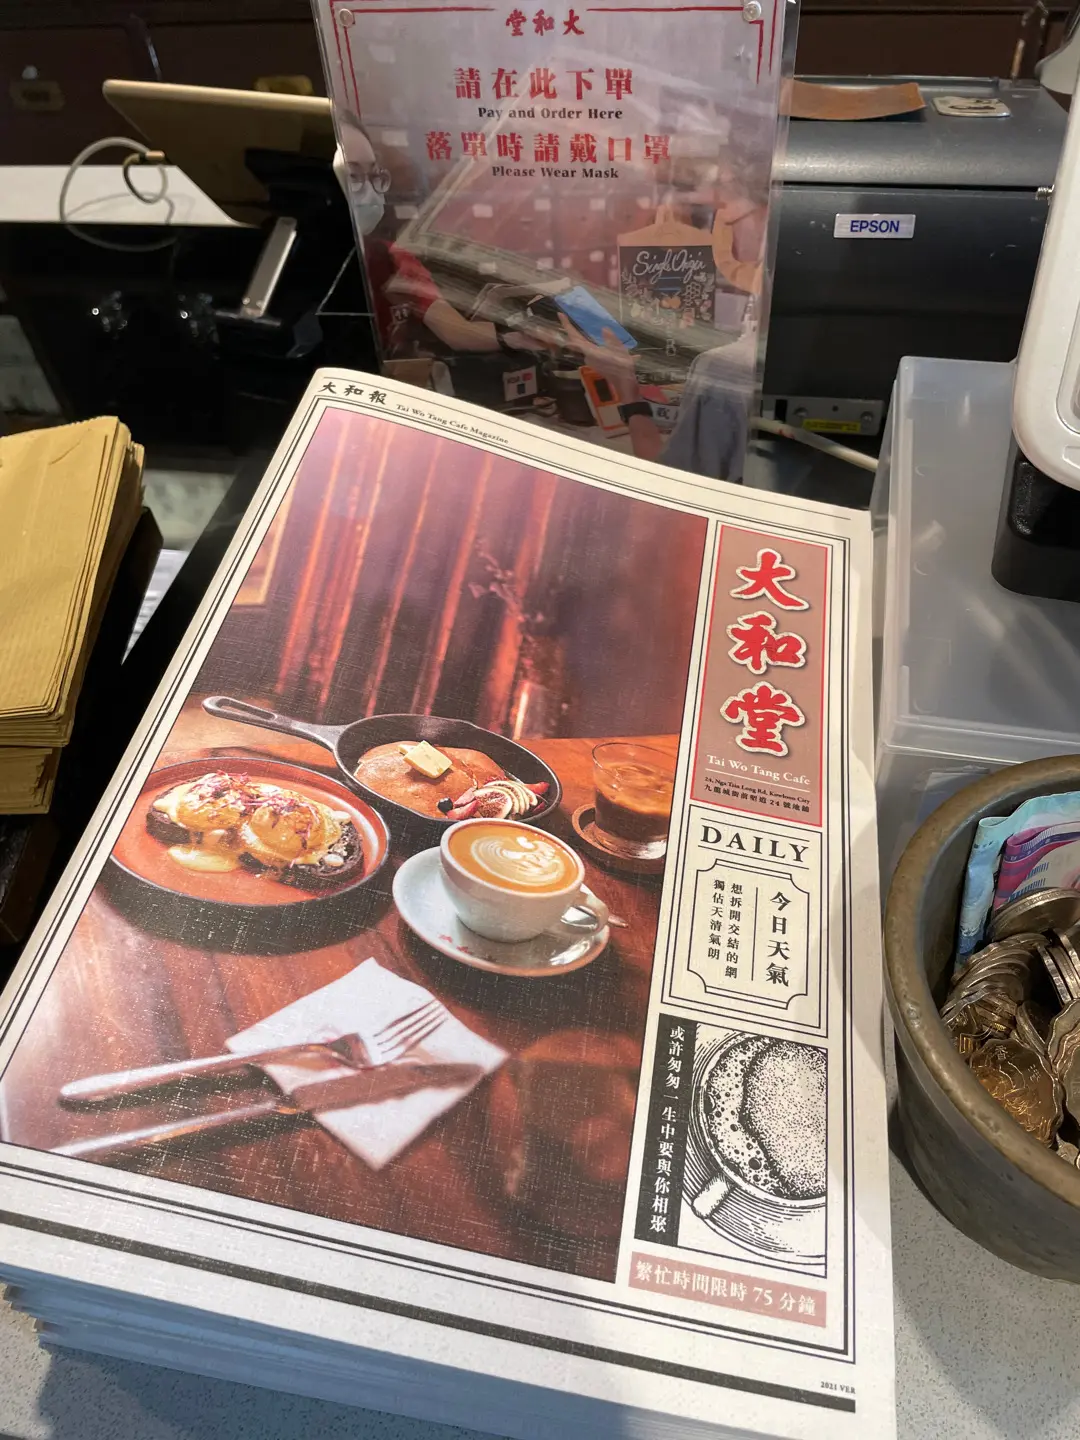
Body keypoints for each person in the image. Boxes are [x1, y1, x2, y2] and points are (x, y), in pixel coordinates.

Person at [333, 115, 554, 358]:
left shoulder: (393, 258)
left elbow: (456, 331)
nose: (370, 192)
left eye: (374, 176)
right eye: (353, 176)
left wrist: (514, 338)